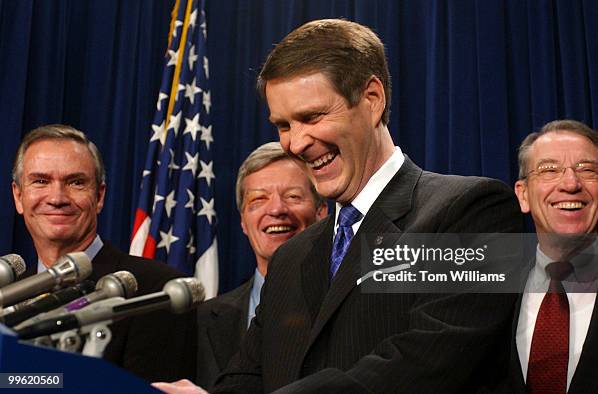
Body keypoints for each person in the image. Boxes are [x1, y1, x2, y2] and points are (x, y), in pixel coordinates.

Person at [154, 18, 522, 394]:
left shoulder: (471, 211)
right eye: (283, 125)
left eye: (312, 117)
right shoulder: (292, 257)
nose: (296, 144)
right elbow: (248, 375)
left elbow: (422, 363)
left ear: (372, 99)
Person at [11, 124, 197, 382]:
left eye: (75, 182)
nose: (57, 197)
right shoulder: (8, 297)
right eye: (41, 181)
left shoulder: (156, 291)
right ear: (18, 197)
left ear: (99, 197)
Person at [195, 142, 327, 388]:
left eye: (293, 196)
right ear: (244, 222)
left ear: (322, 212)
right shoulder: (202, 321)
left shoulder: (351, 302)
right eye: (258, 199)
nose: (277, 209)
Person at [505, 119, 598, 393]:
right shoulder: (491, 290)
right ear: (524, 195)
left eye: (586, 170)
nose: (571, 183)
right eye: (549, 170)